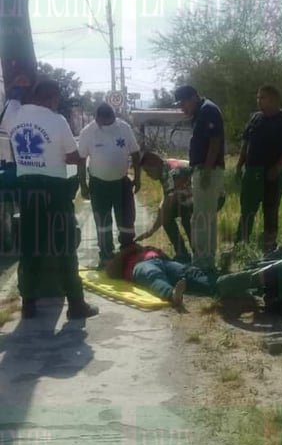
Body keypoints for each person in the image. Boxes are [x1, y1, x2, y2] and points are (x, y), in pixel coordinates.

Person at [9, 78, 98, 319]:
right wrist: (77, 159)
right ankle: (76, 304)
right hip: (54, 191)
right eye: (57, 100)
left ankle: (28, 304)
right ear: (52, 98)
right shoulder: (56, 120)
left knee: (30, 247)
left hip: (27, 189)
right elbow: (72, 155)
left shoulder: (14, 117)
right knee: (65, 246)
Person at [234, 84, 282, 252]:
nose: (259, 101)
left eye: (263, 97)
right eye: (258, 97)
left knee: (270, 212)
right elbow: (246, 143)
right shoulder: (255, 118)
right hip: (251, 173)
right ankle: (240, 248)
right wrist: (239, 165)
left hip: (272, 174)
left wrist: (277, 168)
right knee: (247, 211)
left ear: (274, 99)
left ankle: (269, 249)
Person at [78, 103, 141, 268]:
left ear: (113, 117)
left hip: (121, 183)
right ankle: (106, 256)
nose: (106, 124)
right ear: (97, 119)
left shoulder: (123, 128)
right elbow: (81, 159)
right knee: (103, 223)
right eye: (102, 122)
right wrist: (83, 185)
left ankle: (127, 252)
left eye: (109, 121)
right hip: (98, 185)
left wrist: (138, 178)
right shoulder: (88, 132)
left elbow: (135, 152)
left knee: (126, 221)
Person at [174, 85, 225, 272]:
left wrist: (206, 171)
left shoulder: (208, 110)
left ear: (193, 97)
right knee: (203, 217)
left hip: (208, 170)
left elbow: (215, 141)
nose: (182, 108)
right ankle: (205, 260)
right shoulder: (200, 112)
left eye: (183, 103)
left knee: (202, 218)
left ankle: (203, 263)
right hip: (203, 169)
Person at [105, 241, 214, 306]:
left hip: (163, 261)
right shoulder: (121, 256)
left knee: (187, 272)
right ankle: (172, 295)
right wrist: (127, 251)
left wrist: (158, 251)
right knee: (154, 275)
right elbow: (111, 272)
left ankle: (218, 283)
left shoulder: (144, 249)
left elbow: (167, 258)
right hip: (141, 265)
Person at [136, 152, 193, 261]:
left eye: (148, 171)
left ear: (155, 163)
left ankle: (198, 255)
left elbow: (168, 203)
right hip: (189, 197)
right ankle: (182, 254)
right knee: (166, 217)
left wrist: (151, 231)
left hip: (209, 195)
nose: (148, 175)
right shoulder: (165, 167)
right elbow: (167, 200)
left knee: (185, 217)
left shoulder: (172, 172)